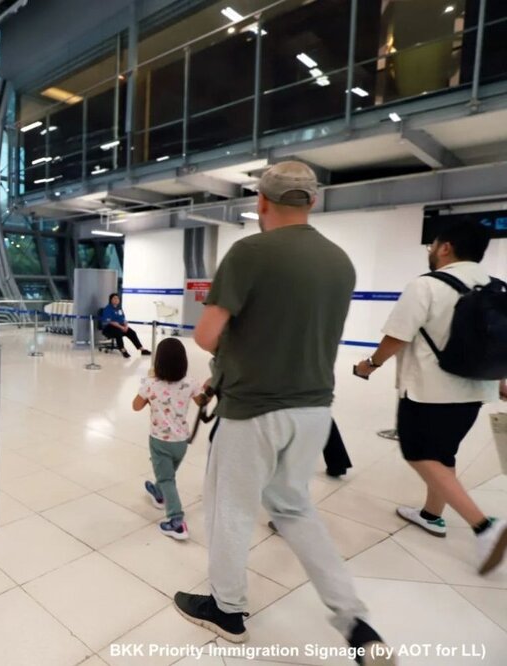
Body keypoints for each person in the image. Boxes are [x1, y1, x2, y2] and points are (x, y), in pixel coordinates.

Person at [173, 161, 392, 660]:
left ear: (261, 202)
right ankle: (356, 622)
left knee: (230, 509)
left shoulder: (249, 252)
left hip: (252, 410)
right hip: (314, 408)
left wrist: (234, 354)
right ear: (313, 202)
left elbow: (206, 335)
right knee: (295, 510)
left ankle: (227, 611)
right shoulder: (340, 261)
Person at [355, 221, 507, 575]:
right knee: (444, 453)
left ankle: (484, 526)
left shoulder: (426, 286)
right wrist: (497, 382)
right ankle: (431, 514)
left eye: (432, 244)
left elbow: (397, 337)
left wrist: (370, 364)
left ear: (445, 248)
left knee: (418, 452)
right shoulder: (493, 286)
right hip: (474, 391)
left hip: (428, 390)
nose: (429, 250)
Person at [133, 338, 201, 540]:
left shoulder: (151, 385)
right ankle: (158, 492)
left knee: (167, 478)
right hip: (181, 442)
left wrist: (148, 388)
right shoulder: (190, 383)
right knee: (167, 473)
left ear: (158, 362)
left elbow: (135, 406)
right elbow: (201, 400)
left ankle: (176, 522)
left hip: (159, 441)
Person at [101, 293, 150, 359]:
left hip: (120, 326)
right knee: (118, 333)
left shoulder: (119, 308)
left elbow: (123, 319)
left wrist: (126, 326)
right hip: (109, 327)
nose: (116, 300)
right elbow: (110, 321)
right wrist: (121, 327)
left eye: (117, 298)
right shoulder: (108, 309)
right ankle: (123, 350)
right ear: (110, 300)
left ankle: (142, 349)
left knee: (132, 332)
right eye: (114, 298)